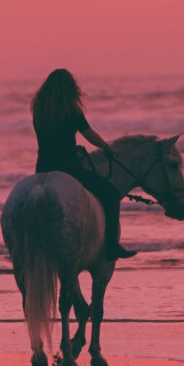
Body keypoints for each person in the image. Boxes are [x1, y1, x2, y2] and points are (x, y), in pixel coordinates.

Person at [31, 68, 135, 260]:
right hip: (69, 169)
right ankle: (112, 245)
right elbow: (89, 134)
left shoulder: (39, 110)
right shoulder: (71, 111)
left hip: (42, 169)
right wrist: (107, 148)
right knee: (111, 194)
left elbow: (51, 141)